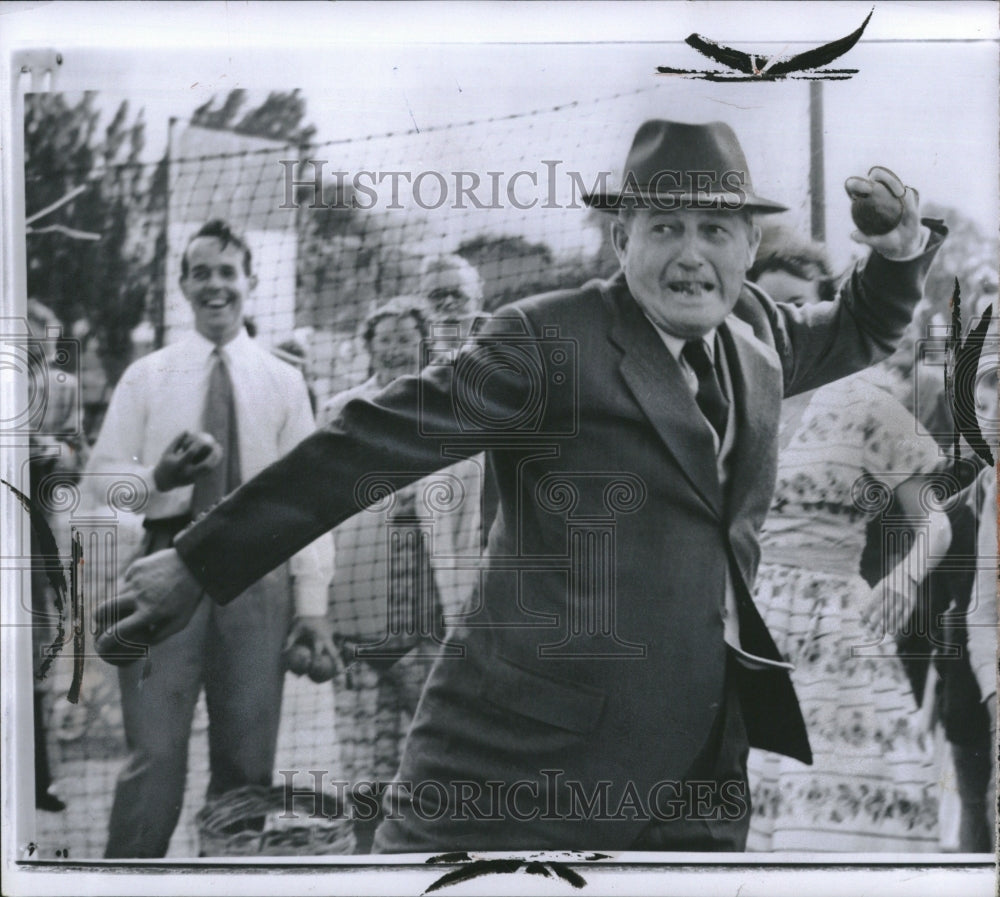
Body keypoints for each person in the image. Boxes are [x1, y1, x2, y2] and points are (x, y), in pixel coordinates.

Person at [96, 120, 946, 852]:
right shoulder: (547, 340)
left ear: (749, 247)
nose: (692, 254)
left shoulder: (755, 334)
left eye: (716, 230)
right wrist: (198, 561)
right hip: (522, 762)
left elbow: (862, 323)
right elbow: (364, 446)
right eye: (665, 227)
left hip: (701, 766)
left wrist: (899, 248)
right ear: (621, 240)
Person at [87, 219, 333, 857]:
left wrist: (311, 606)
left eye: (228, 272)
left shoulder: (283, 381)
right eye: (201, 272)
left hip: (257, 576)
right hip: (164, 571)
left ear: (250, 282)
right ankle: (126, 880)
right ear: (183, 284)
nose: (215, 285)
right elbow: (100, 486)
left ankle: (229, 878)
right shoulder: (148, 376)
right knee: (155, 758)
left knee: (247, 767)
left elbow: (308, 501)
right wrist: (156, 478)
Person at [744, 347, 951, 852]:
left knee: (823, 812)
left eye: (798, 303)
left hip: (828, 628)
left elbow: (935, 523)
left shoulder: (866, 404)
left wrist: (905, 578)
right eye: (768, 306)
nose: (781, 324)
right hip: (742, 621)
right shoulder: (728, 398)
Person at [26, 298, 84, 813]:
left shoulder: (60, 393)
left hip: (34, 544)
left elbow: (75, 456)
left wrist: (56, 454)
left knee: (33, 657)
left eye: (40, 346)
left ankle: (37, 777)